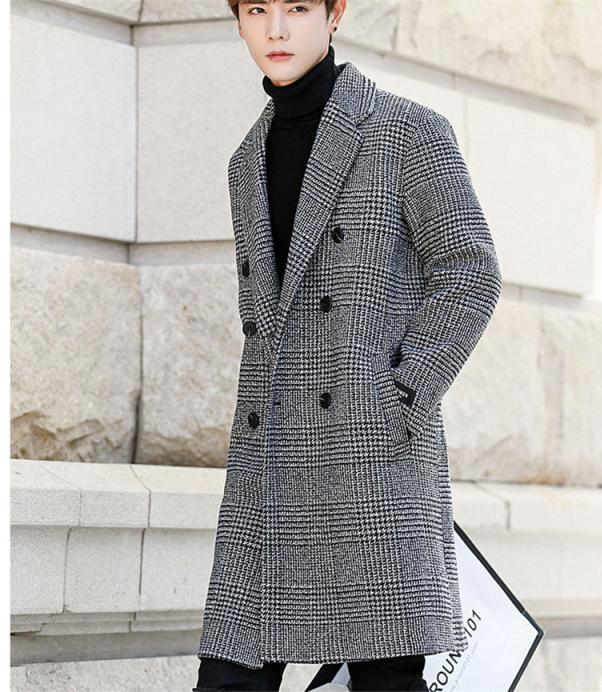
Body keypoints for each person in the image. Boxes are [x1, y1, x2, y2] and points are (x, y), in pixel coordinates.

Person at [194, 0, 502, 690]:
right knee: (227, 679)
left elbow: (470, 270)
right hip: (268, 472)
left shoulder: (406, 131)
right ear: (238, 19)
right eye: (258, 9)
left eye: (298, 7)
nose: (277, 29)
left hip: (369, 465)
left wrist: (397, 397)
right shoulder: (246, 160)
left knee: (385, 680)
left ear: (335, 14)